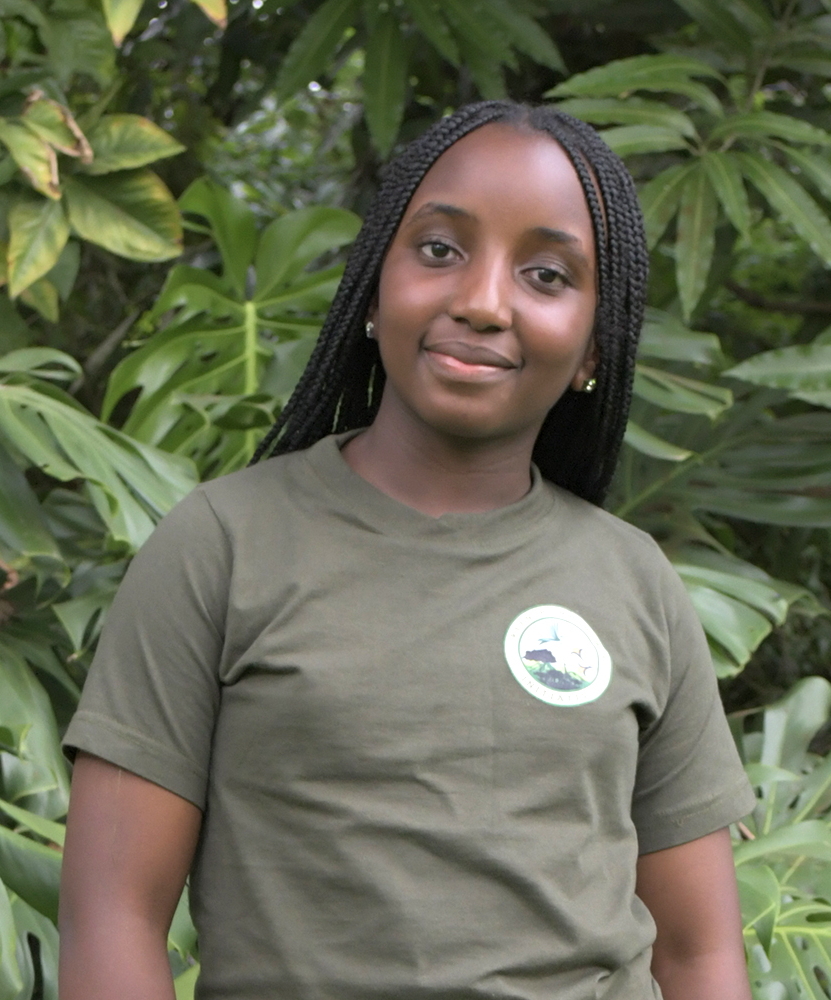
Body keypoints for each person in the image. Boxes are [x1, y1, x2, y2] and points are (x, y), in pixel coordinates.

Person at [58, 100, 756, 1000]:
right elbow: (111, 915)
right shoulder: (224, 546)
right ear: (371, 287)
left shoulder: (634, 583)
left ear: (594, 345)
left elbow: (700, 955)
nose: (481, 301)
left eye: (546, 276)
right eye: (439, 251)